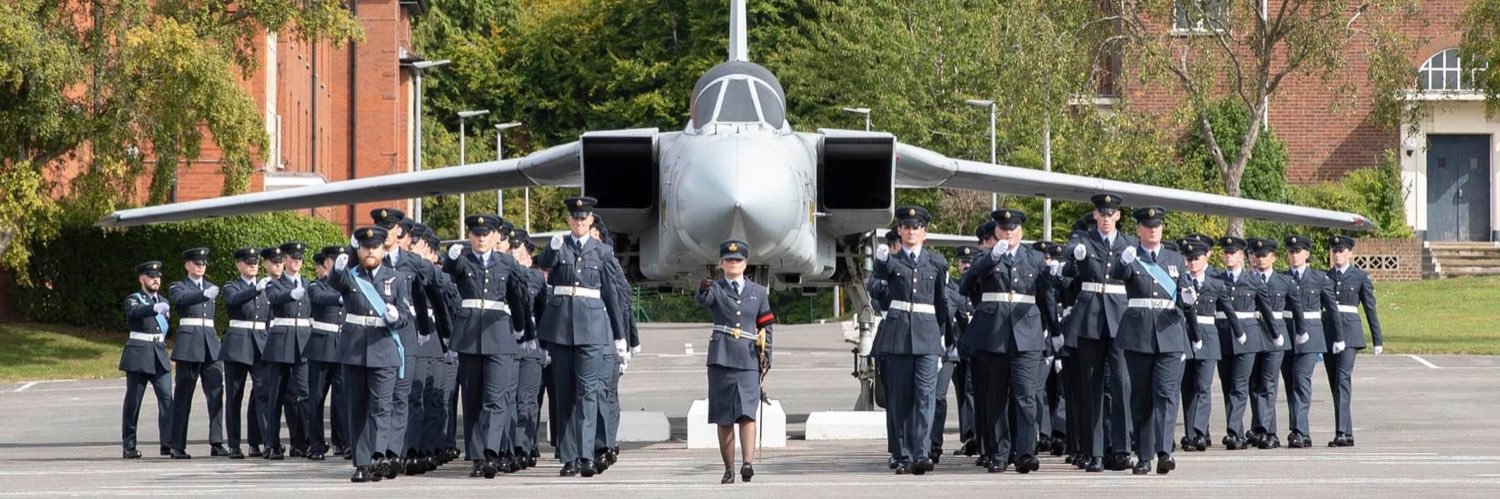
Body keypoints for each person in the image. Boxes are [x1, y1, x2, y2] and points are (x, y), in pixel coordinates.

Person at [536, 197, 630, 477]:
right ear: (569, 220)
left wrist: (619, 336)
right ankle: (570, 457)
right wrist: (550, 248)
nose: (579, 221)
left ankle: (587, 455)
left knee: (588, 394)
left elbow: (612, 295)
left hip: (592, 330)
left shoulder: (602, 252)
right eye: (574, 217)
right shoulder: (559, 246)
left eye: (583, 217)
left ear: (590, 220)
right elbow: (543, 264)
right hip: (562, 330)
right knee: (564, 395)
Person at [959, 208, 1055, 474]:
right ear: (996, 232)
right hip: (994, 335)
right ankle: (1000, 452)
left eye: (1012, 228)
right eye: (1003, 229)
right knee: (995, 397)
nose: (1008, 232)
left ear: (1020, 231)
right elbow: (966, 285)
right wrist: (992, 257)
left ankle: (1025, 452)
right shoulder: (985, 257)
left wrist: (1053, 331)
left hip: (1026, 334)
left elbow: (1046, 295)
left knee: (1026, 396)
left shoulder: (1034, 258)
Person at [443, 214, 534, 478]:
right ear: (470, 236)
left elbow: (519, 293)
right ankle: (477, 456)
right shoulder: (463, 261)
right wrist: (451, 255)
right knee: (472, 399)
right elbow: (450, 271)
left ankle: (491, 453)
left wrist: (521, 326)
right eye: (476, 234)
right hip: (470, 336)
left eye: (486, 234)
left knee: (494, 398)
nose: (481, 238)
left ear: (496, 236)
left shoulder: (506, 262)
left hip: (499, 334)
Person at [1112, 207, 1197, 475]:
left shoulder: (1175, 258)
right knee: (1141, 399)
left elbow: (1184, 290)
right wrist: (1123, 261)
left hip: (1169, 333)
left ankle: (1164, 453)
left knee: (1166, 394)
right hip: (1139, 335)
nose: (1153, 230)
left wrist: (1188, 298)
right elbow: (1117, 274)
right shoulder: (1131, 257)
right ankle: (1144, 456)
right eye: (1147, 226)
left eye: (1157, 225)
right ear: (1138, 230)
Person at [871, 206, 952, 475]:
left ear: (924, 232)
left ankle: (921, 452)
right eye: (906, 227)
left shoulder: (936, 263)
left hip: (927, 336)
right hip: (898, 338)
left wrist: (944, 338)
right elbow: (876, 283)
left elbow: (942, 303)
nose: (910, 231)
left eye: (916, 227)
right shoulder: (892, 262)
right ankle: (903, 454)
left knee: (926, 397)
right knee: (900, 399)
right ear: (899, 231)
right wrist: (880, 260)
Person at [329, 226, 414, 482]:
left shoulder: (396, 278)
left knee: (381, 407)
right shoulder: (352, 276)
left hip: (384, 348)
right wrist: (337, 268)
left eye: (374, 248)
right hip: (354, 350)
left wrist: (396, 316)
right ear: (359, 250)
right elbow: (335, 283)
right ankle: (362, 463)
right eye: (365, 248)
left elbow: (406, 314)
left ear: (382, 249)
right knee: (356, 408)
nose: (369, 252)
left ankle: (379, 457)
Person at [1060, 193, 1136, 473]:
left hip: (1119, 320)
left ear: (1118, 216)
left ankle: (1122, 449)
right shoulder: (1083, 241)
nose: (1105, 218)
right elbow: (1068, 260)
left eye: (1110, 214)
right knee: (1091, 388)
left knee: (1121, 385)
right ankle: (1095, 452)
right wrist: (1074, 255)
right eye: (1101, 214)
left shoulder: (1128, 244)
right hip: (1090, 320)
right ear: (1095, 216)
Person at [696, 239, 774, 484]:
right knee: (724, 416)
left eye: (738, 260)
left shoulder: (759, 292)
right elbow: (703, 301)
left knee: (747, 413)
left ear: (746, 263)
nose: (733, 263)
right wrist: (703, 289)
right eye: (729, 260)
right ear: (721, 263)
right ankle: (729, 468)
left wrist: (767, 355)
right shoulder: (716, 289)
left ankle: (747, 464)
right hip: (722, 358)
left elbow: (766, 325)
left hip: (749, 357)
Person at [1214, 236, 1283, 450]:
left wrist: (1275, 334)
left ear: (1242, 256)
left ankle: (1234, 433)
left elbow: (1266, 310)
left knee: (1240, 385)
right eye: (1226, 252)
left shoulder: (1253, 282)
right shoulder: (1217, 280)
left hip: (1248, 339)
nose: (1228, 256)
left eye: (1232, 252)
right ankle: (1237, 431)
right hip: (1223, 337)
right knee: (1228, 386)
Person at [1177, 238, 1242, 452]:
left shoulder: (1215, 284)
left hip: (1208, 338)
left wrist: (1239, 333)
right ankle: (1191, 433)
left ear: (1205, 258)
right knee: (1187, 388)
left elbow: (1229, 310)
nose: (1192, 262)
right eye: (1189, 259)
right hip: (1185, 336)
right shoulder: (1180, 281)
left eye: (1196, 258)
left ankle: (1199, 433)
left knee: (1203, 387)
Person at [1281, 235, 1341, 449]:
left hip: (1311, 337)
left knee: (1300, 380)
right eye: (1291, 252)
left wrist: (1338, 337)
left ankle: (1298, 430)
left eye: (1298, 252)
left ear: (1307, 254)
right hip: (1288, 335)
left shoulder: (1319, 279)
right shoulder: (1282, 278)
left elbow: (1332, 310)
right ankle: (1301, 431)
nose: (1294, 256)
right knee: (1290, 384)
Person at [166, 247, 227, 458]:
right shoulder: (178, 286)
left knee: (216, 394)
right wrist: (202, 294)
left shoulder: (211, 286)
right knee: (183, 396)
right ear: (187, 265)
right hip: (189, 345)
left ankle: (217, 442)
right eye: (196, 263)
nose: (201, 266)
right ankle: (177, 444)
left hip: (210, 344)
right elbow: (180, 299)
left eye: (203, 263)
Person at [1325, 235, 1382, 447]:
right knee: (1335, 384)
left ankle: (1341, 432)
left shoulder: (1359, 276)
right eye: (1335, 250)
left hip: (1349, 332)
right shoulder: (1326, 276)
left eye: (1341, 250)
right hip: (1329, 331)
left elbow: (1370, 308)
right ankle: (1347, 432)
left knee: (1342, 380)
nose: (1338, 254)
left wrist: (1377, 339)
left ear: (1349, 252)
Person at [1246, 238, 1301, 450]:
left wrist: (1302, 334)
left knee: (1269, 384)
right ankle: (1259, 428)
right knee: (1254, 385)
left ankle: (1269, 431)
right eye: (1257, 256)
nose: (1260, 260)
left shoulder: (1284, 281)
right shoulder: (1248, 279)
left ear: (1273, 258)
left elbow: (1296, 310)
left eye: (1264, 256)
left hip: (1275, 337)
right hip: (1253, 334)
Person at [260, 243, 313, 460]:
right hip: (281, 343)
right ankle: (271, 444)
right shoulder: (275, 284)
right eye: (292, 258)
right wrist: (292, 293)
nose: (296, 262)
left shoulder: (308, 284)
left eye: (299, 258)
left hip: (302, 342)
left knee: (304, 393)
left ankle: (305, 442)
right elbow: (274, 298)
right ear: (285, 260)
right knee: (277, 395)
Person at [120, 261, 175, 459]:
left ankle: (168, 443)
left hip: (159, 354)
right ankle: (129, 445)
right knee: (134, 402)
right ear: (142, 278)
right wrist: (153, 308)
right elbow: (134, 313)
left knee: (168, 400)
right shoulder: (134, 299)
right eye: (151, 277)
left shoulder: (163, 300)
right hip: (139, 356)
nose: (155, 280)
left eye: (158, 277)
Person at [221, 247, 270, 459]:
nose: (253, 265)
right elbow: (233, 300)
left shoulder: (266, 287)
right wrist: (255, 290)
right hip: (238, 344)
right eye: (248, 262)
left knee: (262, 393)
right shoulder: (232, 285)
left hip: (260, 343)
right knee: (234, 395)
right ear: (238, 265)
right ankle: (233, 443)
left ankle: (258, 442)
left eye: (255, 262)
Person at [306, 246, 349, 460]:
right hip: (321, 348)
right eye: (334, 260)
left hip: (342, 348)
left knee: (343, 399)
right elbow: (319, 298)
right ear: (326, 264)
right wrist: (339, 298)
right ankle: (315, 444)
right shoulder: (317, 285)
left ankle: (342, 442)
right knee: (316, 397)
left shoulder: (348, 285)